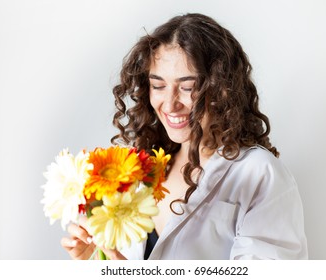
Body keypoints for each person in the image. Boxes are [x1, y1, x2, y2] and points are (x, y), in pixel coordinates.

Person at [61, 13, 308, 260]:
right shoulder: (142, 170)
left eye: (188, 88)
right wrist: (95, 258)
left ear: (223, 90)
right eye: (158, 86)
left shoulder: (259, 173)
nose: (169, 104)